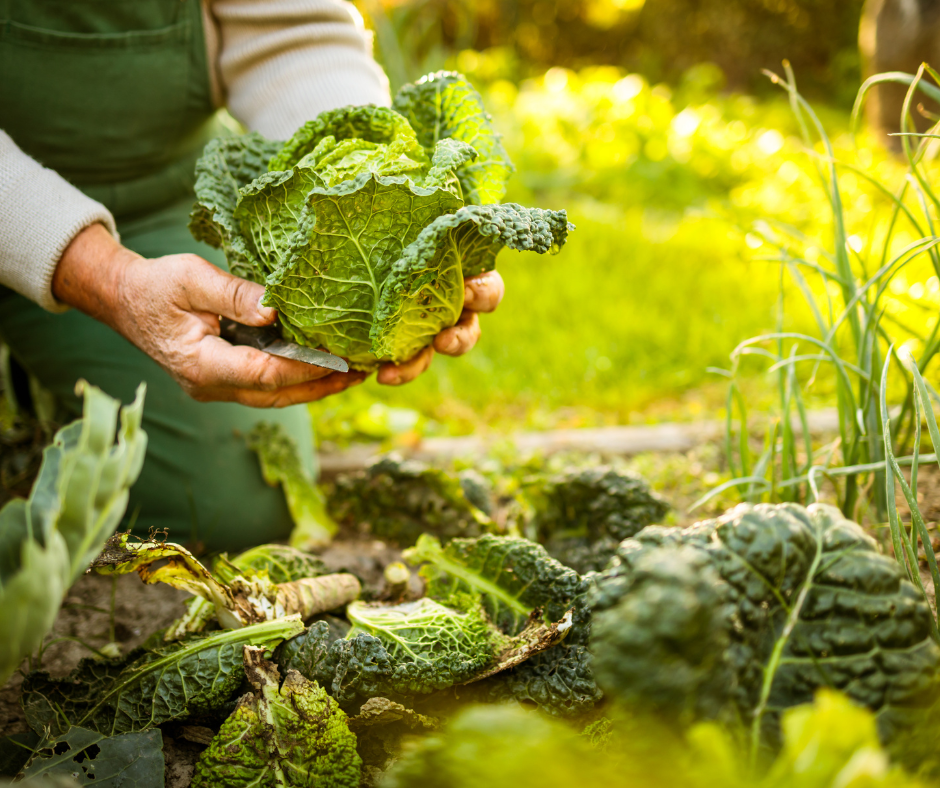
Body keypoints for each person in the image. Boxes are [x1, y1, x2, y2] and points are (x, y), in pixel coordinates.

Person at [0, 0, 504, 550]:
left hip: (154, 191)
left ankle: (42, 384)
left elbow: (294, 33)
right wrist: (108, 280)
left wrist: (379, 192)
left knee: (231, 510)